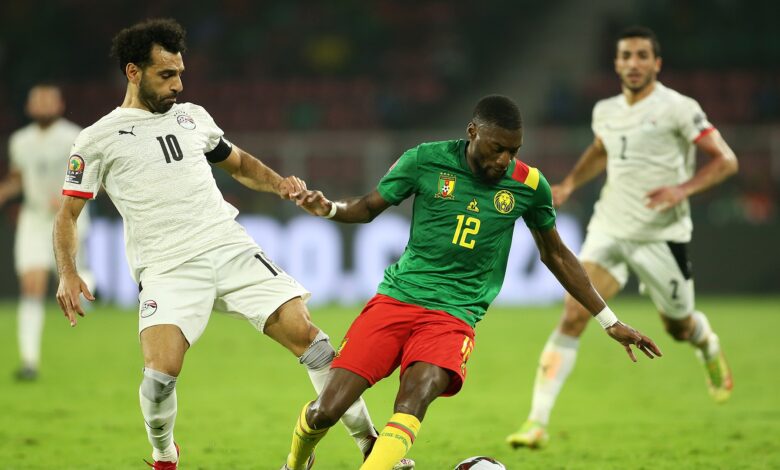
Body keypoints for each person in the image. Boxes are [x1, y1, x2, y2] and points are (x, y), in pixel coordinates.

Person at [53, 18, 413, 470]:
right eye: (166, 75)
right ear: (133, 72)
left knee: (313, 341)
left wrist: (281, 184)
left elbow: (239, 163)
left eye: (180, 73)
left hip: (228, 247)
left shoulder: (192, 116)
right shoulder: (96, 139)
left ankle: (369, 444)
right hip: (167, 267)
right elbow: (67, 214)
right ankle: (164, 454)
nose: (177, 84)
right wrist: (68, 271)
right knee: (159, 378)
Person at [280, 95, 662, 470]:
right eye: (498, 148)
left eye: (513, 151)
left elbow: (556, 255)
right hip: (397, 299)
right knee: (325, 410)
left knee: (414, 400)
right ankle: (295, 463)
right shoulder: (425, 159)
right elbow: (367, 207)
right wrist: (329, 208)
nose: (505, 160)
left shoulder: (530, 185)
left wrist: (609, 321)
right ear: (473, 132)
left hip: (454, 315)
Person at [506, 26, 739, 450]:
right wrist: (570, 183)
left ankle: (706, 342)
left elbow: (726, 160)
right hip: (609, 228)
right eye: (626, 56)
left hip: (661, 236)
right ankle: (536, 422)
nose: (633, 63)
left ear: (656, 63)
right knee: (573, 314)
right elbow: (602, 149)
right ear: (616, 63)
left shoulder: (679, 108)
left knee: (678, 327)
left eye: (641, 56)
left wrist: (682, 190)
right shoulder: (606, 110)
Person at [0, 84, 92, 381]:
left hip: (68, 218)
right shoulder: (20, 141)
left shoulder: (74, 137)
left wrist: (69, 199)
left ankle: (91, 282)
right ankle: (29, 361)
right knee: (32, 285)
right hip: (34, 219)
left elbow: (92, 177)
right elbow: (17, 178)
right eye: (37, 101)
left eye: (47, 100)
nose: (42, 105)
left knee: (77, 283)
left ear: (59, 105)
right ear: (29, 107)